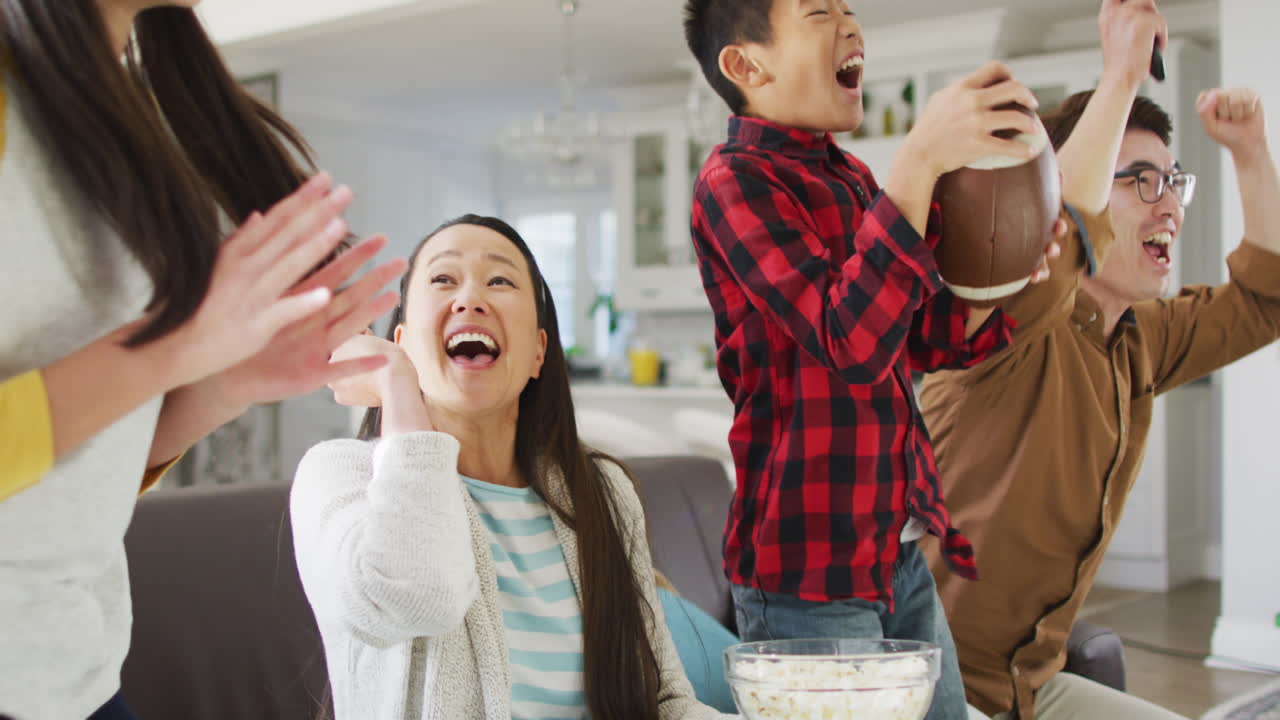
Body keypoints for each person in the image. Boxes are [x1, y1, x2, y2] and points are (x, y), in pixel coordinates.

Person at [0, 2, 403, 718]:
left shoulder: (122, 114)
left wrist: (224, 383)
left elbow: (71, 475)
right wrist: (175, 349)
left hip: (77, 675)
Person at [681, 1, 1074, 718]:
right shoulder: (733, 182)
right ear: (746, 65)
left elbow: (925, 338)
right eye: (819, 11)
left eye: (851, 9)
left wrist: (1003, 274)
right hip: (805, 572)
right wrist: (919, 159)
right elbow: (849, 341)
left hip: (891, 549)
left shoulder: (858, 182)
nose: (852, 26)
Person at [919, 5, 1280, 720]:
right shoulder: (1004, 318)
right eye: (1137, 180)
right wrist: (1120, 74)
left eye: (1173, 182)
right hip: (930, 682)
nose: (1167, 205)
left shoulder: (1141, 335)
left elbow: (1266, 300)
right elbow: (1055, 238)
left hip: (1030, 684)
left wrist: (1249, 150)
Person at [291, 215, 731, 720]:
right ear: (401, 343)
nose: (470, 299)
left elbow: (664, 702)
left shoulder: (602, 492)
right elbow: (417, 596)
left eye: (499, 280)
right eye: (443, 279)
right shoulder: (339, 477)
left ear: (538, 352)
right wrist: (396, 386)